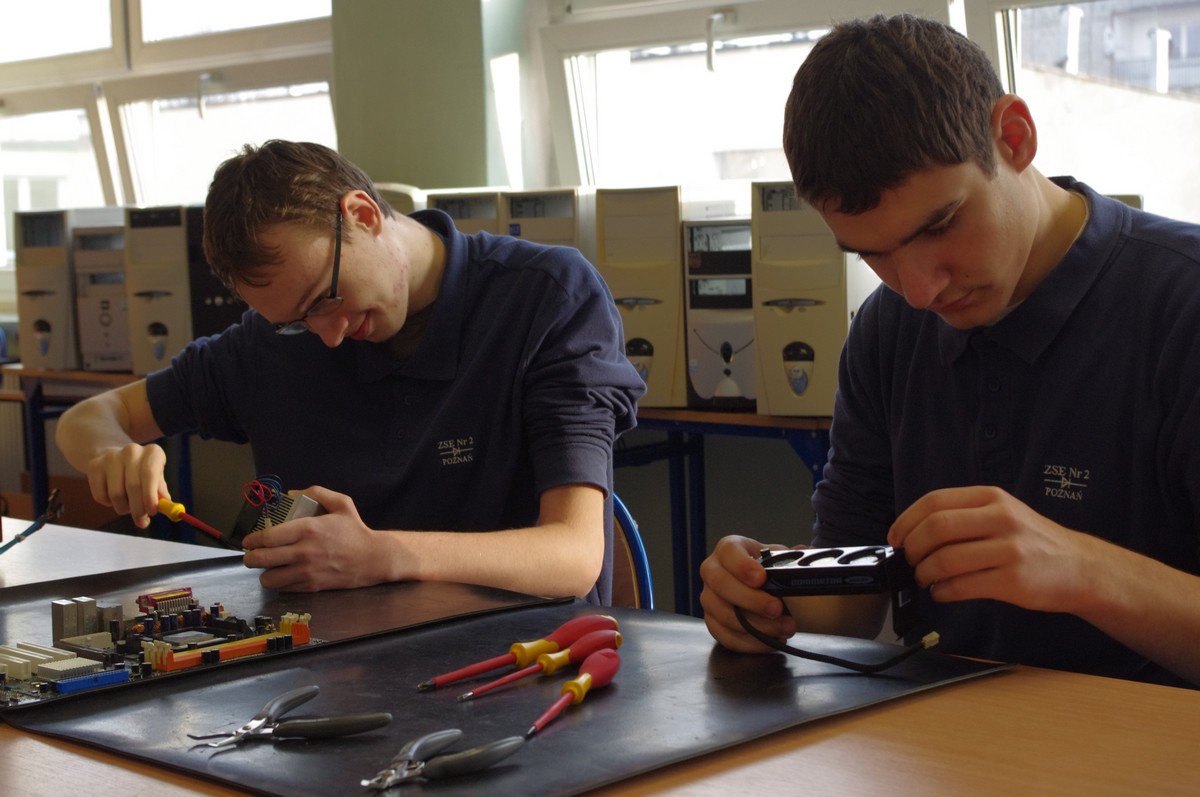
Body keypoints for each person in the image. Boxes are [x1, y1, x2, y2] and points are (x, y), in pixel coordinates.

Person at [699, 14, 1200, 687]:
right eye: (872, 255)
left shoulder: (1181, 306)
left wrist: (1084, 571)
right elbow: (853, 608)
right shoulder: (887, 329)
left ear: (1013, 137)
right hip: (939, 730)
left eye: (940, 225)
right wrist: (767, 592)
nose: (919, 290)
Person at [56, 140, 645, 604]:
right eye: (296, 322)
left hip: (519, 665)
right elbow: (90, 418)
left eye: (324, 298)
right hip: (330, 671)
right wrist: (112, 455)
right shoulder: (273, 344)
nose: (329, 334)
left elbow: (572, 556)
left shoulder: (547, 299)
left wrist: (380, 556)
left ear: (362, 215)